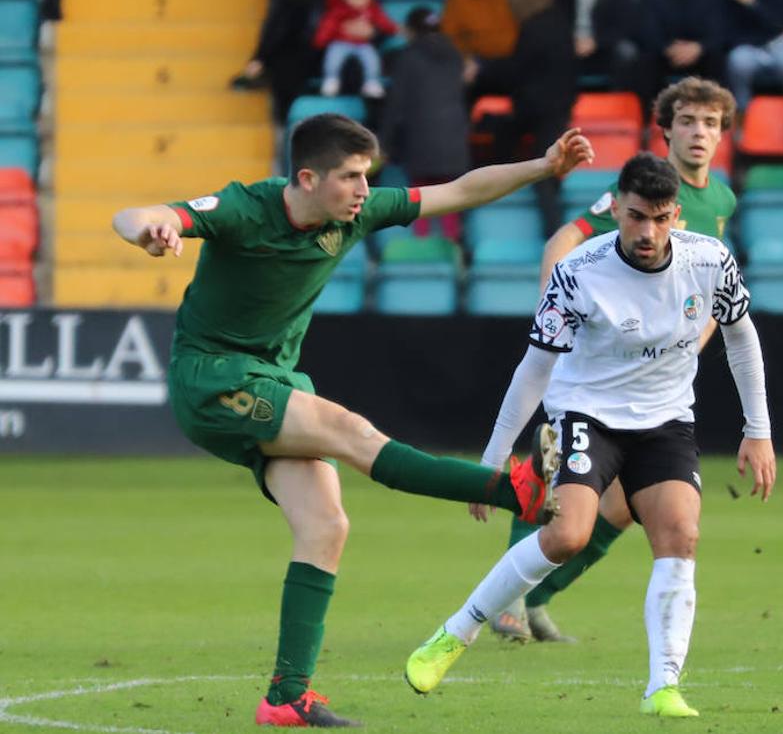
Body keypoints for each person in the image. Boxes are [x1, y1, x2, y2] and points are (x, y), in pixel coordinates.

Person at [110, 114, 594, 728]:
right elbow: (135, 214)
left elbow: (460, 190)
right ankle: (511, 490)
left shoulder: (352, 212)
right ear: (307, 178)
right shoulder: (242, 208)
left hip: (274, 380)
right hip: (212, 379)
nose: (365, 189)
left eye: (367, 176)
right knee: (353, 434)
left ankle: (286, 695)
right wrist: (149, 230)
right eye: (350, 177)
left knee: (327, 524)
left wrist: (544, 166)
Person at [403, 153, 776, 718]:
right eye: (633, 217)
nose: (646, 231)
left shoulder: (709, 260)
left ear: (676, 215)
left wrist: (758, 430)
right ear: (615, 210)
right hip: (586, 413)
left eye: (658, 217)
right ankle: (455, 632)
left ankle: (663, 687)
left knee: (681, 534)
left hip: (666, 419)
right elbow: (534, 368)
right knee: (567, 536)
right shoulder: (579, 271)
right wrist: (495, 454)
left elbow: (741, 338)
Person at [488, 77, 739, 643]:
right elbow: (568, 236)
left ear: (723, 134)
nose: (699, 133)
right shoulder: (641, 192)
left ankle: (536, 597)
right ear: (667, 128)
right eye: (689, 121)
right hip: (598, 363)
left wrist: (691, 346)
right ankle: (506, 601)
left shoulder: (720, 200)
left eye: (710, 123)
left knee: (624, 507)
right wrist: (551, 308)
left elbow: (708, 295)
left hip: (654, 382)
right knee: (556, 475)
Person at [471, 0, 578, 229]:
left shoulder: (532, 29)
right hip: (557, 108)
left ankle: (553, 231)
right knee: (545, 171)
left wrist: (482, 69)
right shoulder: (559, 24)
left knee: (541, 172)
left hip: (537, 110)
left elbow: (516, 71)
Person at [379, 8, 471, 239]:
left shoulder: (407, 57)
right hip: (454, 140)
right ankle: (451, 249)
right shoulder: (456, 55)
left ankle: (423, 249)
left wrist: (384, 144)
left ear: (411, 30)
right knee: (452, 197)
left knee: (420, 198)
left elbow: (396, 105)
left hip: (421, 139)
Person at [231, 0, 346, 123]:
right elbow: (277, 28)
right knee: (286, 69)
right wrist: (260, 57)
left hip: (335, 51)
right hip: (298, 54)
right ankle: (287, 125)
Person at [635, 0, 726, 109]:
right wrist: (667, 48)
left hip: (698, 53)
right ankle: (650, 117)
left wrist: (698, 47)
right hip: (664, 52)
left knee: (716, 57)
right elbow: (646, 29)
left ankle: (711, 111)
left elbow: (718, 31)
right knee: (645, 59)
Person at [549, 0, 639, 90]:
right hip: (569, 44)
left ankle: (620, 103)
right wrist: (569, 41)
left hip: (604, 45)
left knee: (626, 52)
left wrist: (596, 42)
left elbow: (625, 26)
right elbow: (552, 21)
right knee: (546, 50)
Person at [313, 0, 398, 98]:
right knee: (333, 57)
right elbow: (328, 24)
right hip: (341, 42)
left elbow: (383, 21)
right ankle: (331, 79)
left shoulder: (372, 9)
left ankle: (371, 82)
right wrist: (320, 40)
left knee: (371, 59)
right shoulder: (339, 10)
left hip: (362, 44)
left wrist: (394, 29)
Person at [442, 0, 518, 63]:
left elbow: (533, 24)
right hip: (477, 59)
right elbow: (450, 33)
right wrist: (465, 59)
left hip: (517, 56)